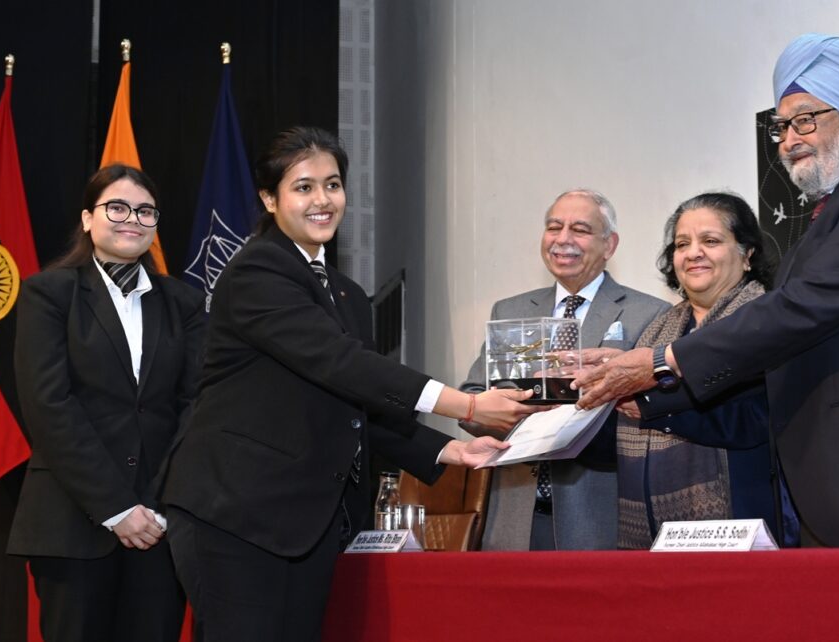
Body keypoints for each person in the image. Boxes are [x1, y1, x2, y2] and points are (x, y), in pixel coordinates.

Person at [574, 34, 839, 548]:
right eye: (782, 126)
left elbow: (801, 311)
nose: (787, 140)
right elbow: (775, 369)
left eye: (805, 120)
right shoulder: (830, 218)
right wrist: (640, 394)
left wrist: (661, 363)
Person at [160, 126, 541, 640]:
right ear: (269, 199)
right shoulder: (257, 270)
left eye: (333, 184)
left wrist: (452, 453)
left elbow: (356, 404)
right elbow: (340, 363)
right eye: (303, 187)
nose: (323, 200)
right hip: (236, 514)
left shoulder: (347, 294)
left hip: (307, 522)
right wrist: (466, 408)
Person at [7, 164, 205, 642]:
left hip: (160, 528)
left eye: (145, 211)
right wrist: (117, 508)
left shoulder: (184, 302)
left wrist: (156, 505)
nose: (131, 219)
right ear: (88, 218)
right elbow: (48, 405)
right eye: (116, 207)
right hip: (72, 522)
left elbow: (197, 404)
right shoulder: (49, 293)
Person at [459, 189, 669, 550]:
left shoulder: (650, 313)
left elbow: (655, 417)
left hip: (599, 514)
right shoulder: (509, 311)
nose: (563, 239)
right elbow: (471, 402)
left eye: (580, 229)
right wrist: (515, 408)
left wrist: (579, 407)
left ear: (610, 244)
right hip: (514, 515)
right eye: (553, 226)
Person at [612, 192, 798, 549]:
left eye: (710, 241)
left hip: (743, 521)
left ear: (747, 255)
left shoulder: (765, 321)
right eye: (682, 244)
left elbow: (757, 418)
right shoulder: (657, 330)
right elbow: (622, 436)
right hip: (649, 538)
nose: (693, 252)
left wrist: (654, 404)